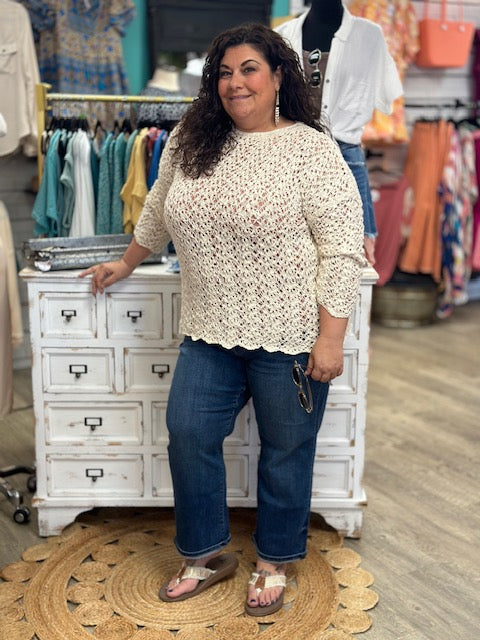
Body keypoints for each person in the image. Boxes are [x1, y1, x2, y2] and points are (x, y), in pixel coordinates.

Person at [80, 22, 366, 616]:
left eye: (249, 69)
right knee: (189, 434)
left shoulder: (312, 150)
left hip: (290, 335)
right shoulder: (191, 139)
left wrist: (331, 338)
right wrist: (126, 262)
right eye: (225, 73)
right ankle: (207, 553)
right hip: (209, 330)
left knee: (286, 450)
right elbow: (158, 211)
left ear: (278, 76)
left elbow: (340, 250)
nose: (236, 83)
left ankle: (274, 559)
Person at [276, 0, 403, 264]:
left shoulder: (369, 36)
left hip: (345, 156)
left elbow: (386, 93)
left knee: (355, 258)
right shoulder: (282, 36)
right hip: (289, 156)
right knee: (292, 253)